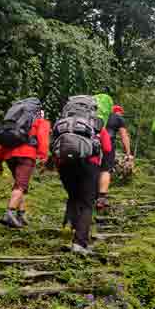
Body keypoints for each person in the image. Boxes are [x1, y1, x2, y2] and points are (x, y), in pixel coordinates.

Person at [53, 96, 113, 255]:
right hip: (89, 164)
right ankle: (80, 243)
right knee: (87, 203)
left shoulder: (62, 122)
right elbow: (107, 148)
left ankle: (69, 232)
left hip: (64, 164)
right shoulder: (96, 123)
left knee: (73, 197)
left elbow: (53, 144)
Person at [0, 109, 50, 229]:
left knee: (19, 184)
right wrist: (43, 156)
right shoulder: (39, 121)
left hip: (9, 156)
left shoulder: (12, 123)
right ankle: (9, 213)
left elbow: (1, 142)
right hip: (26, 155)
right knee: (20, 186)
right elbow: (43, 138)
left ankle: (21, 214)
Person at [97, 104, 132, 211]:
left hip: (91, 143)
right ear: (119, 112)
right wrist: (128, 152)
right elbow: (124, 136)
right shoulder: (118, 118)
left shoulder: (95, 115)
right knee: (105, 169)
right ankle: (101, 198)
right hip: (107, 145)